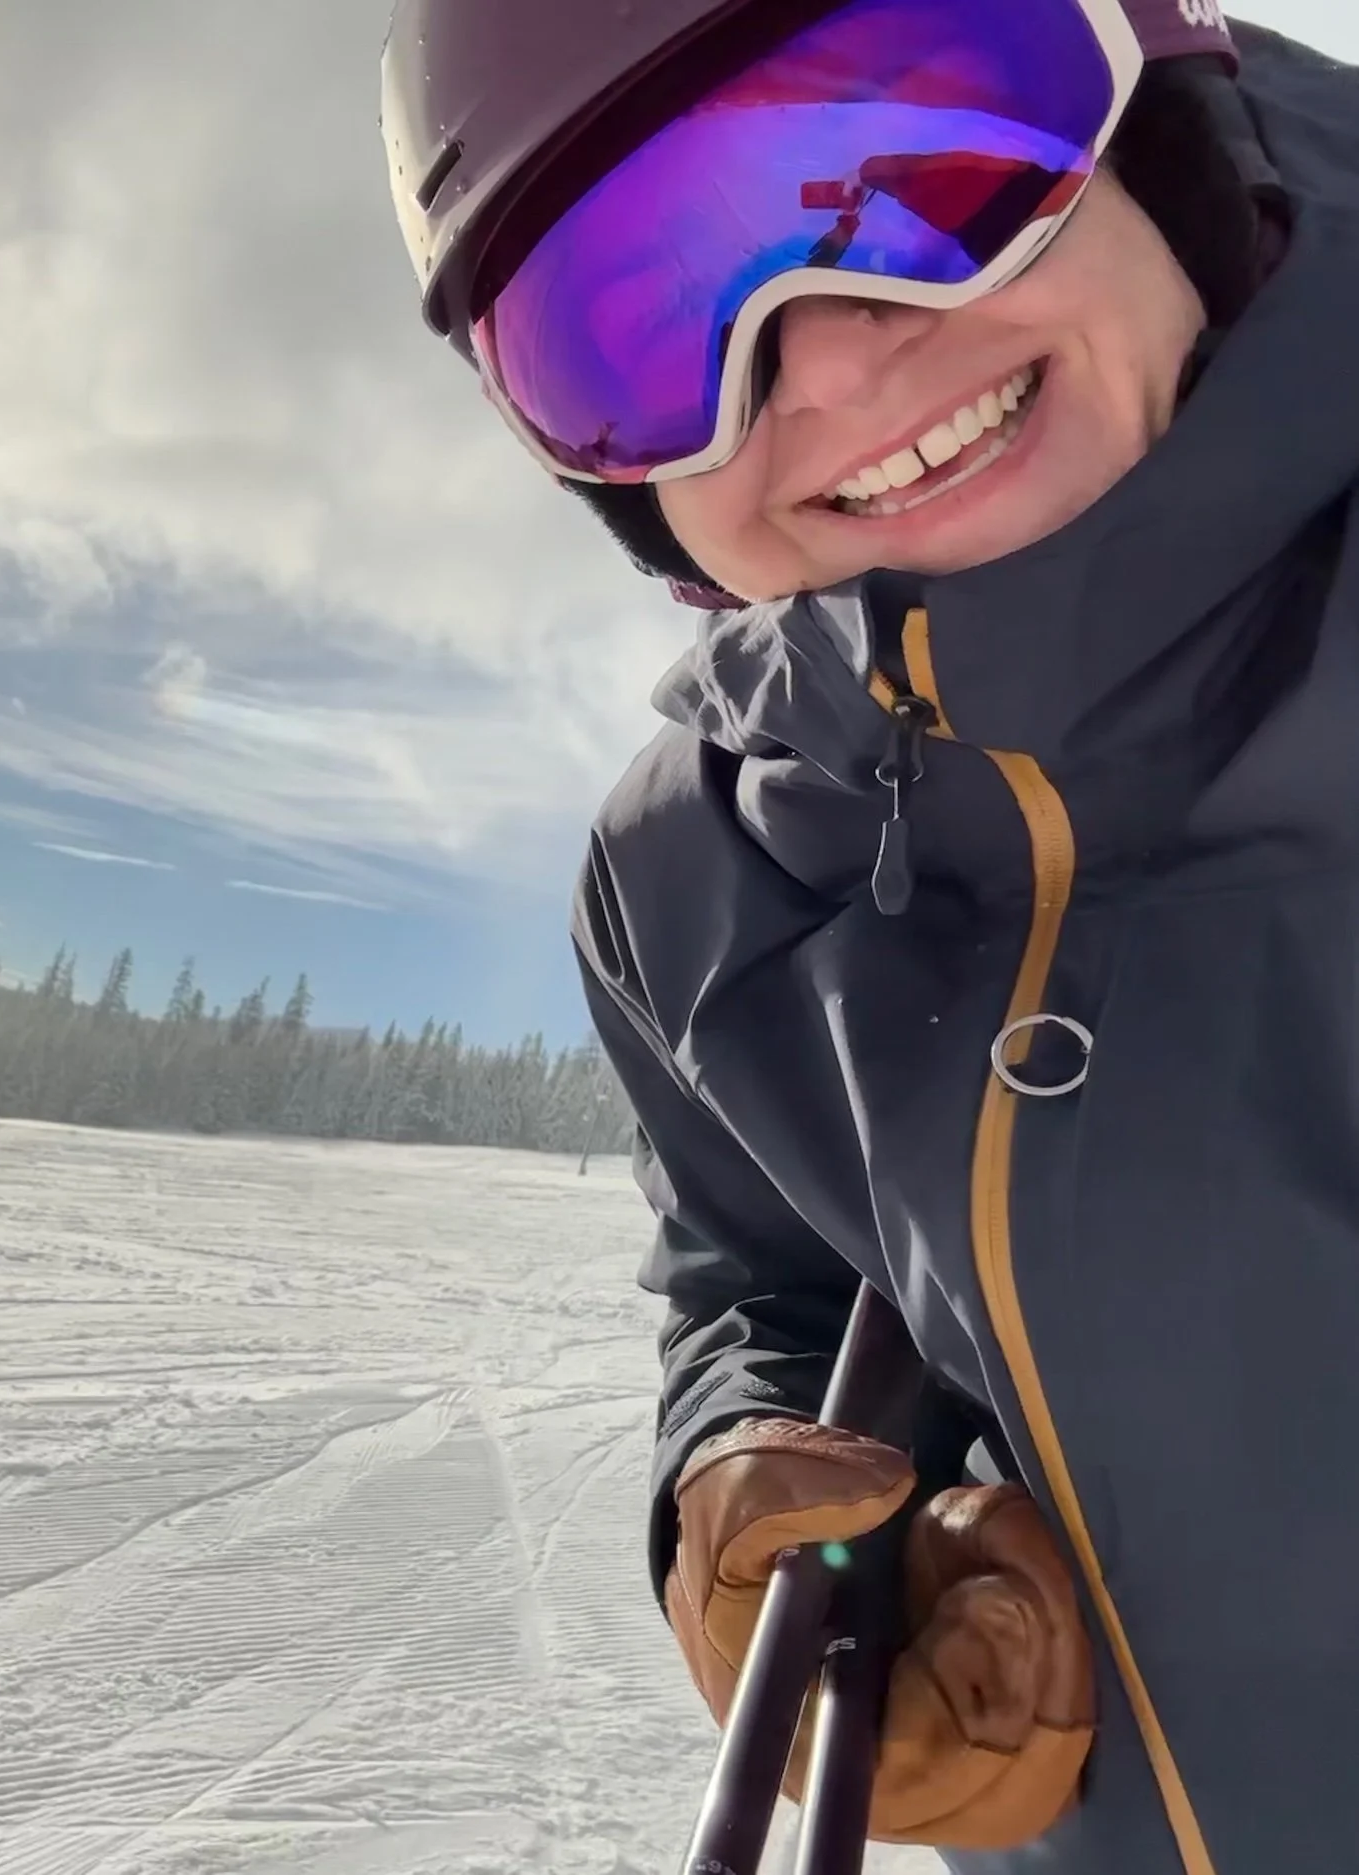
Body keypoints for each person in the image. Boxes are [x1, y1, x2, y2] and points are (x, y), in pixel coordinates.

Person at [384, 1, 1357, 1869]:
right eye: (640, 332)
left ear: (1154, 108)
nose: (824, 368)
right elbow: (761, 1268)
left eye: (930, 164)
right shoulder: (697, 864)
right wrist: (741, 1481)